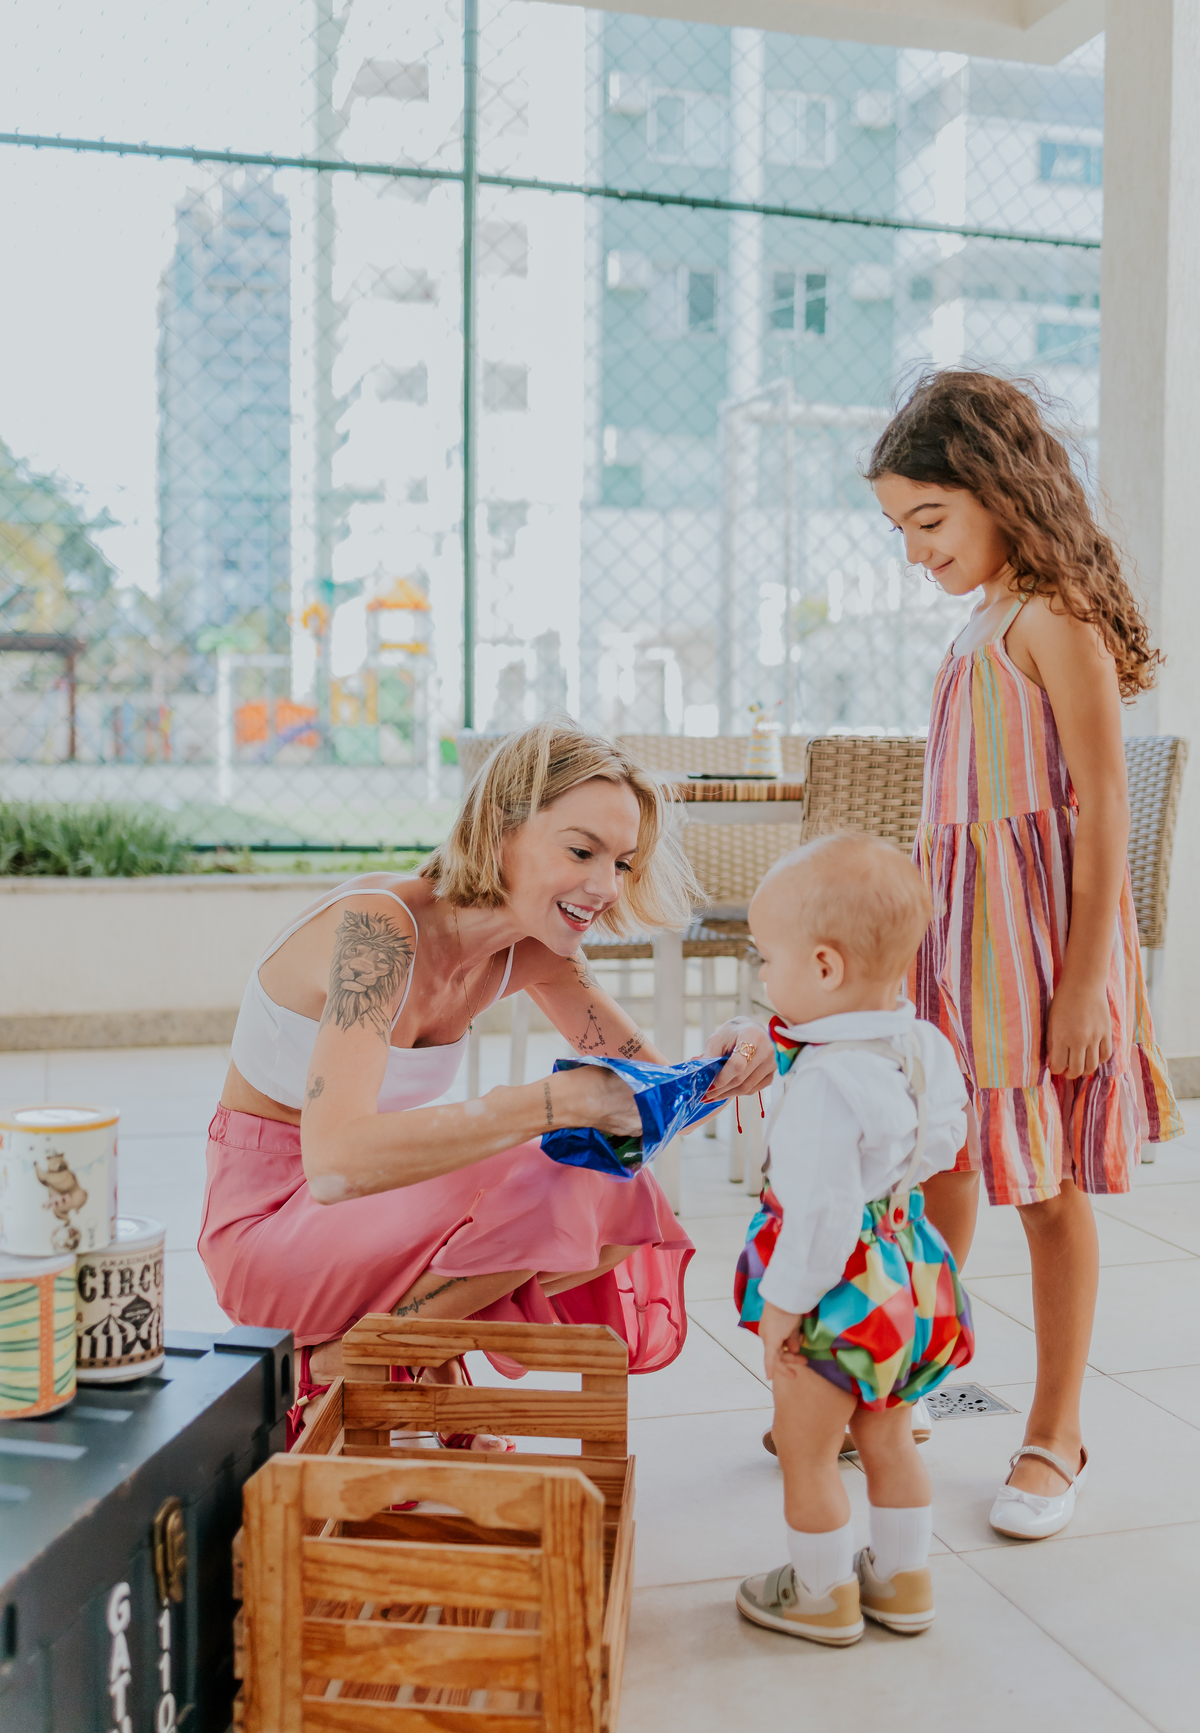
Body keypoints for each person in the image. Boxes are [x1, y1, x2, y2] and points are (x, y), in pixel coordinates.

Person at [199, 720, 775, 1446]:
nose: (604, 886)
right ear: (498, 830)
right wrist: (549, 1104)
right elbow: (334, 1163)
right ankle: (345, 1369)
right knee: (552, 1167)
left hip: (362, 1217)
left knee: (618, 1179)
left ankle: (370, 1360)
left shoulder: (538, 954)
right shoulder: (377, 932)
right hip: (269, 1229)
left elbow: (651, 1104)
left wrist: (741, 1054)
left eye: (623, 862)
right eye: (580, 850)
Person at [868, 370, 1182, 1539]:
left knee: (1044, 1191)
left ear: (1000, 492)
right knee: (942, 1166)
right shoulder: (982, 617)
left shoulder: (1054, 617)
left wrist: (1088, 982)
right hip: (963, 952)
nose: (915, 551)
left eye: (930, 521)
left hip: (1045, 955)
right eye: (902, 530)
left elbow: (1103, 809)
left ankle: (1056, 1432)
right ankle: (910, 1377)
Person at [735, 836, 973, 1646]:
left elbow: (822, 1219)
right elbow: (942, 1145)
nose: (764, 976)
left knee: (808, 1451)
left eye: (768, 958)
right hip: (911, 1269)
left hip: (837, 1290)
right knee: (891, 1434)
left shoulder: (826, 1086)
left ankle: (821, 1594)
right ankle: (905, 1582)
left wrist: (782, 1309)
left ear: (826, 968)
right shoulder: (923, 1044)